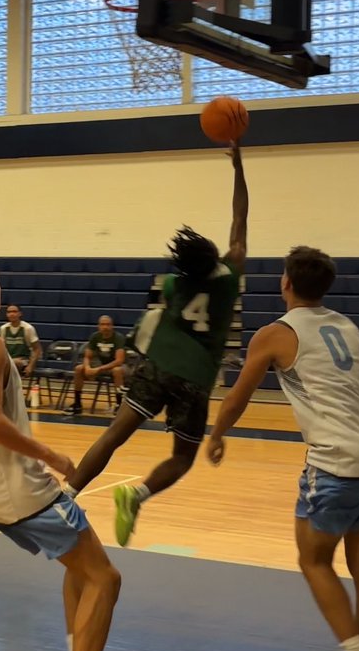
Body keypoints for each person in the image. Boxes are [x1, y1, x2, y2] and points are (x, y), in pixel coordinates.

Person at [208, 246, 359, 651]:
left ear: (286, 283)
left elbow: (237, 397)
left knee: (313, 560)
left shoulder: (276, 333)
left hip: (338, 460)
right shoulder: (348, 326)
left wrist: (217, 434)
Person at [64, 143, 249, 547]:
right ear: (213, 255)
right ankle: (137, 494)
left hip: (158, 365)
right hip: (195, 379)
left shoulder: (172, 283)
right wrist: (238, 166)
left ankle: (67, 495)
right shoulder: (231, 273)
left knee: (114, 434)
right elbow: (239, 218)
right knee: (182, 457)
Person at [0, 245, 120, 651]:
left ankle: (79, 650)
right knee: (105, 580)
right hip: (20, 489)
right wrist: (52, 457)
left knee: (82, 564)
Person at [67, 316, 127, 415]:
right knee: (78, 369)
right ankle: (77, 403)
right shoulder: (95, 337)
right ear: (98, 326)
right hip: (100, 365)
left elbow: (119, 361)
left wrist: (98, 369)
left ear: (112, 326)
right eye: (103, 324)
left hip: (116, 366)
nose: (105, 327)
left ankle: (119, 404)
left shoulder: (118, 338)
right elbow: (87, 356)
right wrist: (87, 368)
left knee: (117, 370)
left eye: (108, 324)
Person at [0, 305, 41, 379]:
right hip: (9, 360)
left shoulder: (28, 328)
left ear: (20, 314)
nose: (11, 314)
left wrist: (30, 366)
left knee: (15, 362)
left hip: (24, 360)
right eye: (9, 312)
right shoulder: (3, 328)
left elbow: (37, 349)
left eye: (14, 311)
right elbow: (3, 348)